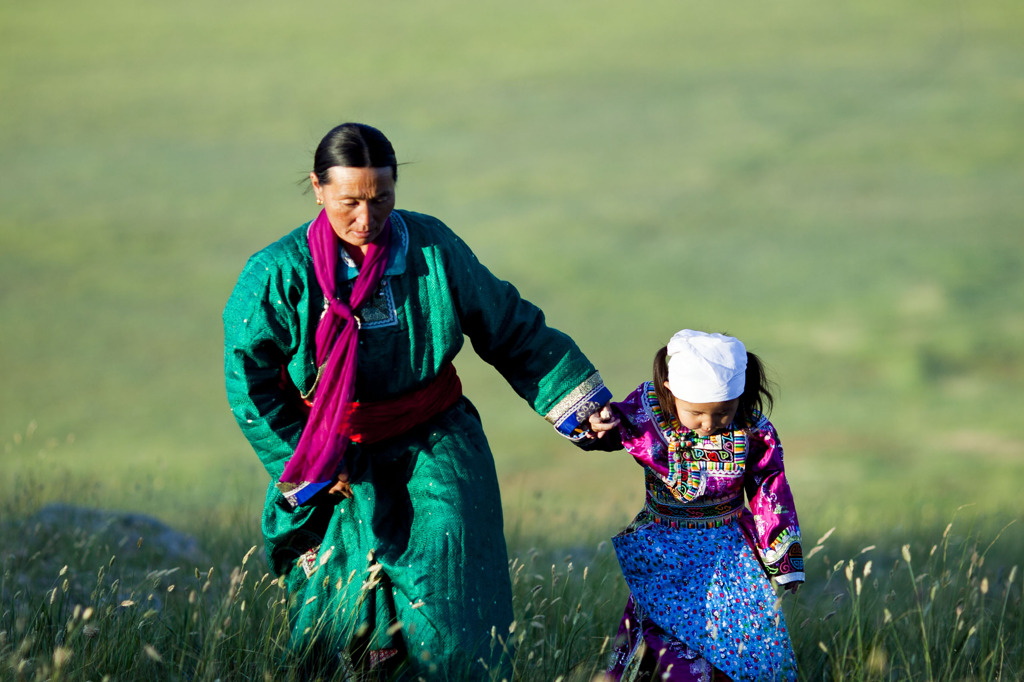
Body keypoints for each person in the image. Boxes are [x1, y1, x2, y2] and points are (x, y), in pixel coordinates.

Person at [222, 122, 612, 678]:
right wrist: (307, 461)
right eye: (348, 202)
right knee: (338, 621)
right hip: (331, 457)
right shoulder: (276, 275)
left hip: (435, 440)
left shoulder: (431, 248)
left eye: (381, 200)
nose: (366, 219)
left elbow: (509, 328)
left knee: (453, 613)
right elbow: (249, 382)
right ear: (317, 188)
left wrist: (580, 406)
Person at [587, 329, 803, 681]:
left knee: (741, 642)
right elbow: (614, 428)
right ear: (670, 393)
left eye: (722, 413)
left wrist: (783, 560)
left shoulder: (752, 430)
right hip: (662, 552)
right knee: (667, 638)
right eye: (697, 413)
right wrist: (600, 422)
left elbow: (769, 489)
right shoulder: (649, 413)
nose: (709, 424)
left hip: (731, 556)